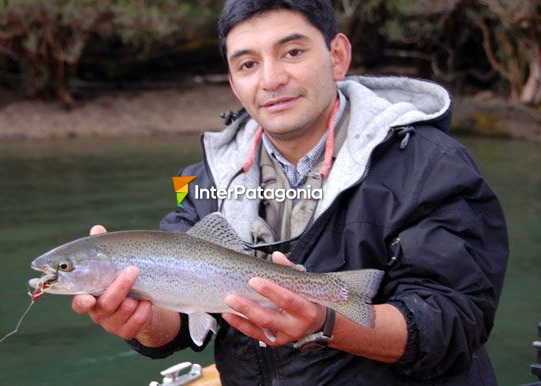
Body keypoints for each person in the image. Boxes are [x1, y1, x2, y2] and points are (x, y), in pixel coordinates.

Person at [71, 1, 509, 384]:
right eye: (247, 64)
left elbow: (455, 322)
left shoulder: (433, 164)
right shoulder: (201, 180)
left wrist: (325, 321)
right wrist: (140, 320)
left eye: (293, 52)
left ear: (337, 56)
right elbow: (182, 323)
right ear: (232, 79)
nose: (271, 79)